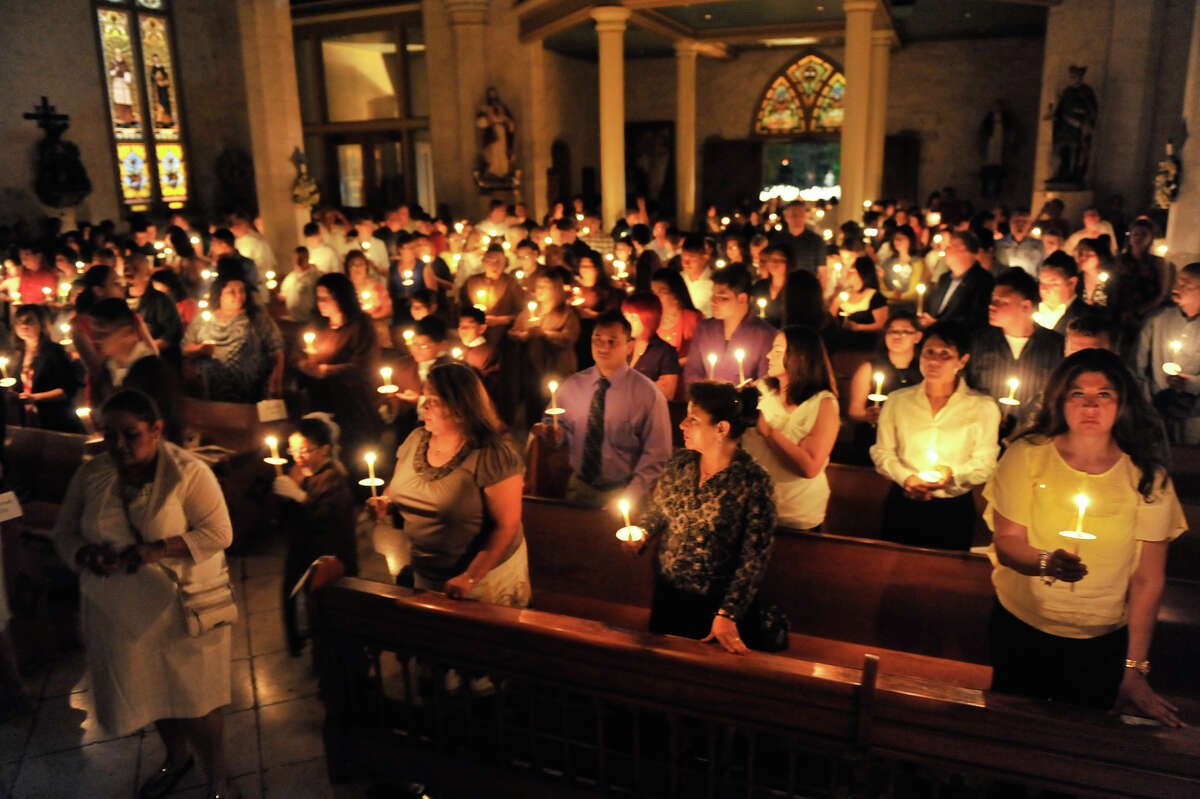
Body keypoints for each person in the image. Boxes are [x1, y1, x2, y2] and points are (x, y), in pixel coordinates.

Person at [983, 349, 1185, 726]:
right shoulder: (1026, 455)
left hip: (1101, 640)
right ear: (1059, 400)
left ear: (1122, 403)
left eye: (1104, 394)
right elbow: (1008, 541)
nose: (1090, 405)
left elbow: (1147, 579)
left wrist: (1133, 667)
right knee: (1011, 739)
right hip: (1023, 627)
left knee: (1079, 745)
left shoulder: (1147, 477)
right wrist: (1046, 562)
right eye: (1078, 394)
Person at [53, 390, 237, 798]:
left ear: (157, 430)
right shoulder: (92, 473)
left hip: (181, 607)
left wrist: (157, 549)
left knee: (196, 699)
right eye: (110, 435)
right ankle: (176, 757)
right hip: (121, 612)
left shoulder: (189, 473)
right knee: (151, 693)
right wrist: (85, 553)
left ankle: (218, 779)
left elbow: (219, 533)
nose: (119, 445)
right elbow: (64, 533)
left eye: (130, 434)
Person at [632, 381, 778, 654]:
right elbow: (657, 510)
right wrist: (641, 532)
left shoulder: (753, 482)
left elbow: (754, 559)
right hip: (668, 596)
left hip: (714, 607)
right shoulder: (680, 463)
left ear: (721, 429)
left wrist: (728, 613)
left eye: (694, 420)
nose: (682, 425)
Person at [369, 363, 530, 606]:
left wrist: (471, 577)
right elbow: (397, 486)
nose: (423, 406)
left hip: (483, 582)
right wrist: (385, 501)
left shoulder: (492, 456)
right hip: (427, 574)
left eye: (432, 400)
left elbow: (506, 526)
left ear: (459, 408)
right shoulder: (416, 440)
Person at [871, 321, 1001, 550]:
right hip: (903, 503)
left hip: (952, 510)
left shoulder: (983, 407)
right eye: (929, 352)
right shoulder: (898, 401)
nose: (933, 361)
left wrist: (952, 474)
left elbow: (986, 463)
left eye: (945, 355)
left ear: (962, 361)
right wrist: (907, 479)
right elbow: (882, 453)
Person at [533, 311, 672, 508]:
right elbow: (555, 422)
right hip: (579, 486)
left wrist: (630, 496)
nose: (603, 347)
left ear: (629, 347)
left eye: (612, 341)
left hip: (623, 492)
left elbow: (657, 455)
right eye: (597, 340)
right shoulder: (574, 385)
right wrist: (555, 434)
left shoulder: (647, 394)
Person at [272, 412, 357, 656]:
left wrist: (300, 498)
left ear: (324, 450)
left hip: (327, 557)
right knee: (298, 604)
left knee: (325, 614)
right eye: (293, 451)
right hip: (299, 552)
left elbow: (327, 522)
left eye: (305, 451)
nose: (298, 457)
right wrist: (283, 496)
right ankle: (303, 643)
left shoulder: (333, 480)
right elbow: (284, 520)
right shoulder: (297, 473)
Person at [743, 327, 839, 531]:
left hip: (796, 515)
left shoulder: (823, 404)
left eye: (777, 351)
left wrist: (767, 431)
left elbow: (810, 467)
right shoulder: (762, 391)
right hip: (753, 509)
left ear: (800, 357)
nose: (769, 355)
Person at [297, 273, 381, 461]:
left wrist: (326, 371)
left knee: (352, 458)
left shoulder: (361, 325)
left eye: (326, 298)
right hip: (321, 401)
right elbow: (299, 352)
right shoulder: (318, 325)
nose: (321, 303)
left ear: (342, 298)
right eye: (318, 298)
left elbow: (364, 366)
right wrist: (304, 364)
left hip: (352, 404)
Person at [967, 268, 1064, 428]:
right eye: (993, 300)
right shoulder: (978, 343)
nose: (992, 306)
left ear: (1025, 306)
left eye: (1002, 301)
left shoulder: (1054, 346)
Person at [182, 268, 284, 403]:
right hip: (209, 391)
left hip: (250, 392)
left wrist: (276, 379)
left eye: (242, 291)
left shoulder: (258, 320)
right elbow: (185, 348)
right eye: (232, 292)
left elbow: (276, 350)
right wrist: (200, 349)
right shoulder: (203, 320)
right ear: (220, 295)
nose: (238, 296)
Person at [681, 264, 777, 391]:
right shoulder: (705, 329)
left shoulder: (765, 334)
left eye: (722, 297)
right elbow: (691, 371)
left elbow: (766, 381)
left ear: (742, 298)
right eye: (713, 295)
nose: (714, 301)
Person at [1135, 262, 1200, 444]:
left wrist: (1190, 383)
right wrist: (1147, 402)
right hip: (1155, 410)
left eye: (1185, 284)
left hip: (1195, 417)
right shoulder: (1158, 319)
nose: (1177, 287)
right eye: (1177, 281)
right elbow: (1138, 364)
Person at [847, 311, 923, 463]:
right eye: (892, 331)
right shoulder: (869, 368)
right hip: (876, 437)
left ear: (917, 337)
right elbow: (854, 411)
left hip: (914, 437)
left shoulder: (924, 370)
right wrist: (867, 415)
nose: (897, 336)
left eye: (905, 332)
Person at [11, 304, 81, 432]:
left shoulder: (54, 351)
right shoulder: (17, 354)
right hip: (29, 422)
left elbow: (68, 389)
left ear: (41, 324)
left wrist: (35, 398)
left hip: (55, 420)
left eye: (29, 320)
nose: (23, 325)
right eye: (19, 321)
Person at [919, 231, 995, 333]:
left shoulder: (983, 281)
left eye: (949, 246)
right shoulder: (944, 279)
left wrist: (939, 324)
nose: (945, 250)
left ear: (962, 248)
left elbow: (976, 319)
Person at [621, 291, 681, 400]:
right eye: (625, 317)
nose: (627, 323)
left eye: (633, 318)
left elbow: (667, 393)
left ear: (648, 318)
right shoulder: (623, 346)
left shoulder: (665, 352)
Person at [124, 252, 183, 358]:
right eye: (126, 267)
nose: (129, 271)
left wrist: (143, 351)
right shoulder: (118, 300)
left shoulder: (161, 300)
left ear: (147, 272)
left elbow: (172, 335)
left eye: (135, 268)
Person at [830, 255, 888, 339]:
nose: (847, 273)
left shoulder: (875, 297)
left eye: (852, 270)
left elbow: (882, 324)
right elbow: (830, 319)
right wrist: (835, 304)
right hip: (841, 344)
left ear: (862, 273)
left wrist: (858, 327)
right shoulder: (843, 294)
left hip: (864, 345)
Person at [650, 268, 701, 363]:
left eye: (662, 291)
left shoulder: (692, 319)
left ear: (676, 293)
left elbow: (700, 353)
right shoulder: (651, 320)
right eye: (653, 292)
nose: (656, 297)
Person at [1033, 251, 1086, 335]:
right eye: (1042, 283)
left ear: (1072, 283)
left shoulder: (1085, 317)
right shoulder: (1030, 312)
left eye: (1053, 283)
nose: (1044, 289)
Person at [769, 201, 824, 275]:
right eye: (793, 215)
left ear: (805, 216)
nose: (797, 218)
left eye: (800, 214)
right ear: (786, 217)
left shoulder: (816, 241)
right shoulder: (777, 241)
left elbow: (823, 271)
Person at [878, 226, 927, 305]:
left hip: (909, 306)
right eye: (896, 238)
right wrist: (892, 295)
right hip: (888, 304)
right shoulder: (887, 262)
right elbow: (881, 287)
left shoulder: (917, 263)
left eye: (902, 238)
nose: (898, 241)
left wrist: (900, 297)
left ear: (910, 240)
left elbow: (913, 292)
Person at [995, 208, 1043, 277]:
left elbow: (1041, 269)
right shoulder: (999, 244)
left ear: (1030, 224)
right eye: (1017, 220)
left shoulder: (1038, 245)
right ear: (1010, 222)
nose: (1020, 224)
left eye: (1024, 221)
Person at [750, 246, 789, 329]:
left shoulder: (793, 288)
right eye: (771, 259)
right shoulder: (760, 286)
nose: (774, 263)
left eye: (780, 260)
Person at [280, 247, 319, 322]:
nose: (297, 262)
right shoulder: (289, 278)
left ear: (307, 258)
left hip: (309, 320)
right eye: (295, 259)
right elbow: (283, 296)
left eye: (301, 259)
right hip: (293, 319)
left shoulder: (316, 276)